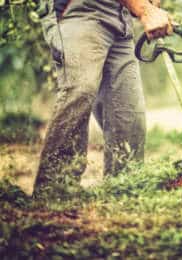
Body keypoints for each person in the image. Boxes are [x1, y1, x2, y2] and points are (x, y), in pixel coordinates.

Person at [34, 0, 172, 192]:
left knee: (129, 114)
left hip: (120, 21)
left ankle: (123, 189)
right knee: (81, 89)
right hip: (78, 11)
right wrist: (145, 9)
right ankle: (54, 189)